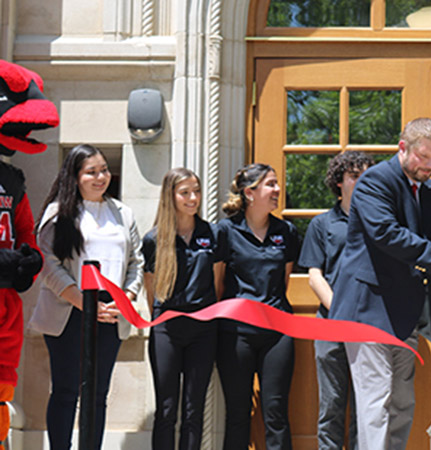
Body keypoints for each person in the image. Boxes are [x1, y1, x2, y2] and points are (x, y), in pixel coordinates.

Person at [328, 118, 431, 450]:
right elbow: (386, 234)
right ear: (402, 147)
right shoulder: (375, 181)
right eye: (424, 156)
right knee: (375, 402)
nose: (430, 166)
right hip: (367, 308)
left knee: (402, 403)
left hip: (407, 313)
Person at [29, 144, 144, 450]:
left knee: (98, 394)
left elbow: (137, 262)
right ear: (75, 176)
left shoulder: (123, 213)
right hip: (69, 308)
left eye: (104, 170)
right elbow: (48, 263)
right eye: (91, 172)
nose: (100, 177)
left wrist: (126, 298)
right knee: (66, 390)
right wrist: (82, 301)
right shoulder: (58, 213)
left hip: (111, 309)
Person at [214, 163, 300, 450]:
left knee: (276, 412)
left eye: (276, 184)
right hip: (235, 334)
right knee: (238, 414)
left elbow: (283, 282)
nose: (277, 190)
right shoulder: (225, 231)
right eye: (270, 184)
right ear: (250, 193)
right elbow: (218, 286)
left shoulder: (286, 231)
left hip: (277, 333)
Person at [299, 151, 373, 449]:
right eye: (354, 176)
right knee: (331, 404)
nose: (361, 181)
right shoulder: (322, 224)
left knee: (365, 408)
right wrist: (342, 312)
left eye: (366, 175)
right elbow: (315, 276)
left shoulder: (379, 221)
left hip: (370, 324)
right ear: (339, 182)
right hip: (331, 325)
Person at [142, 168, 219, 450]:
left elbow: (218, 283)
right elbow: (151, 291)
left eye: (196, 191)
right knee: (166, 408)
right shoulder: (153, 239)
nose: (193, 198)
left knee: (193, 409)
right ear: (170, 196)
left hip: (203, 330)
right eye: (185, 192)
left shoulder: (213, 234)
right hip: (167, 329)